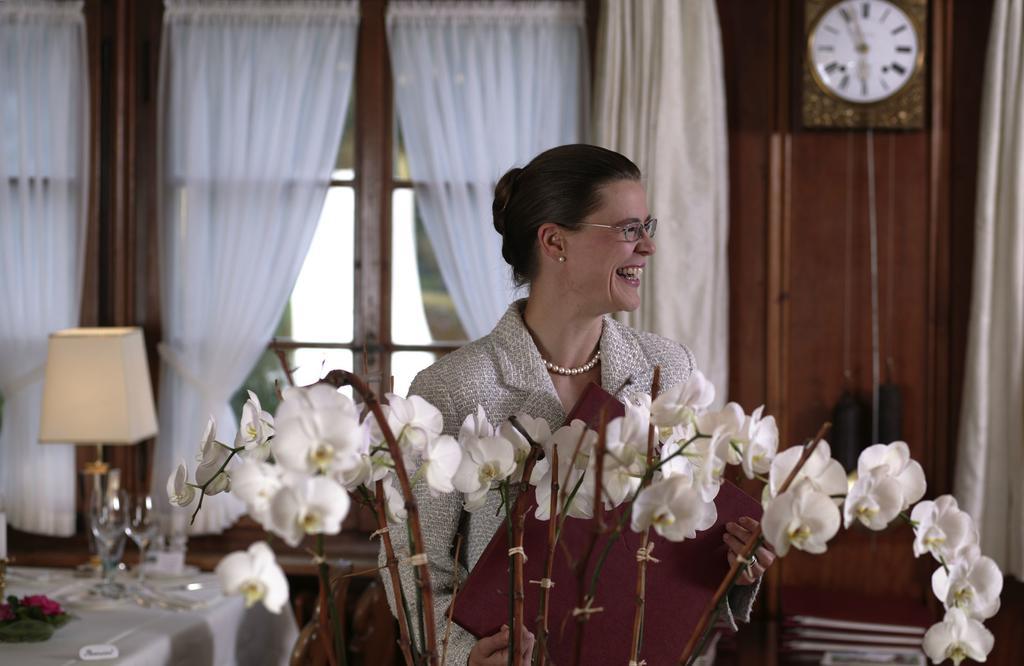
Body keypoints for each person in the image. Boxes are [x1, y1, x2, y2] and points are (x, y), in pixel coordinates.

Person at [379, 144, 775, 666]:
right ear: (555, 242)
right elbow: (413, 568)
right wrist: (464, 657)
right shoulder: (452, 389)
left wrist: (731, 568)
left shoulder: (669, 369)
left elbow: (677, 549)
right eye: (629, 229)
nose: (649, 247)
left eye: (646, 226)